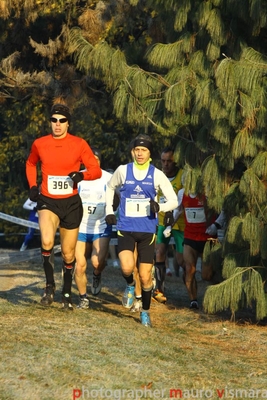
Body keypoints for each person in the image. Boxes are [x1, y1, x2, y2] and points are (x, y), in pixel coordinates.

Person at [26, 103, 102, 310]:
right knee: (47, 240)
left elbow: (96, 170)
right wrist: (33, 186)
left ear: (68, 124)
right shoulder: (40, 143)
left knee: (69, 255)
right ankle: (49, 285)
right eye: (54, 120)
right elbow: (31, 163)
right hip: (48, 201)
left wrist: (81, 175)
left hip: (70, 203)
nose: (57, 124)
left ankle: (66, 292)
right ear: (50, 122)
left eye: (62, 121)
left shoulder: (79, 144)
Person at [105, 134, 178, 327]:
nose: (139, 153)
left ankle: (145, 311)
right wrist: (109, 211)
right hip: (126, 228)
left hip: (147, 230)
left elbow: (173, 200)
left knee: (146, 276)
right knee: (127, 267)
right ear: (132, 151)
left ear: (149, 153)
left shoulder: (156, 174)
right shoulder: (123, 171)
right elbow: (110, 187)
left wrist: (159, 208)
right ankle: (130, 285)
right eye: (137, 150)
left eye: (143, 150)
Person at [74, 147, 116, 309]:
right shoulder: (79, 177)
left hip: (101, 226)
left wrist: (113, 211)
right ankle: (83, 298)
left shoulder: (108, 178)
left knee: (97, 262)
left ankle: (97, 275)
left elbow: (120, 195)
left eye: (97, 159)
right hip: (81, 226)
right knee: (80, 265)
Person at [175, 187, 217, 309]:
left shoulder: (208, 192)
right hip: (190, 237)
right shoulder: (182, 193)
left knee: (206, 275)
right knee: (189, 269)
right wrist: (169, 225)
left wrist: (216, 224)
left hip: (207, 238)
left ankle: (219, 292)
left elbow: (223, 210)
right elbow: (178, 211)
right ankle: (193, 301)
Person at [154, 147, 185, 303]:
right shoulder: (158, 176)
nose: (165, 164)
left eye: (169, 161)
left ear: (175, 162)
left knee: (181, 260)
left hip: (179, 223)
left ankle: (190, 286)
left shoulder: (182, 176)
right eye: (163, 161)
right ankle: (159, 289)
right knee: (159, 252)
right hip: (162, 221)